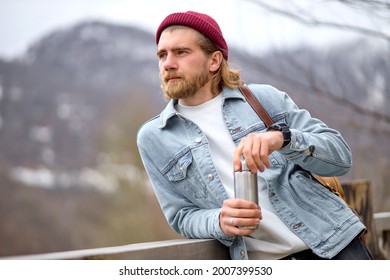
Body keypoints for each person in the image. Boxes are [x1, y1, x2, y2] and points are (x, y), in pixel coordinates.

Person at [136, 11, 372, 260]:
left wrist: (283, 138)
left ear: (214, 61)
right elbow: (181, 216)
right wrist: (218, 220)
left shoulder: (263, 99)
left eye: (181, 52)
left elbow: (341, 157)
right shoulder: (153, 137)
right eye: (162, 55)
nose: (168, 63)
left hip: (335, 248)